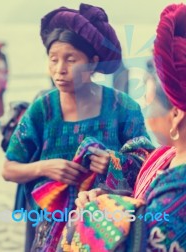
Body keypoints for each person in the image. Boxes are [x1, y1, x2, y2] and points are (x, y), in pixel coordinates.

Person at [1, 3, 150, 251]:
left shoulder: (123, 107)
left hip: (105, 229)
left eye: (71, 60)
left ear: (92, 63)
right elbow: (8, 168)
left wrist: (114, 162)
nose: (59, 70)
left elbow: (146, 162)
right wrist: (45, 167)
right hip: (47, 226)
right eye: (53, 59)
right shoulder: (42, 109)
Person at [62, 4, 186, 250]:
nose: (146, 107)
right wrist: (111, 204)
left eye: (149, 100)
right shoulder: (167, 159)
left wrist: (96, 216)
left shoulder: (178, 193)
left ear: (175, 115)